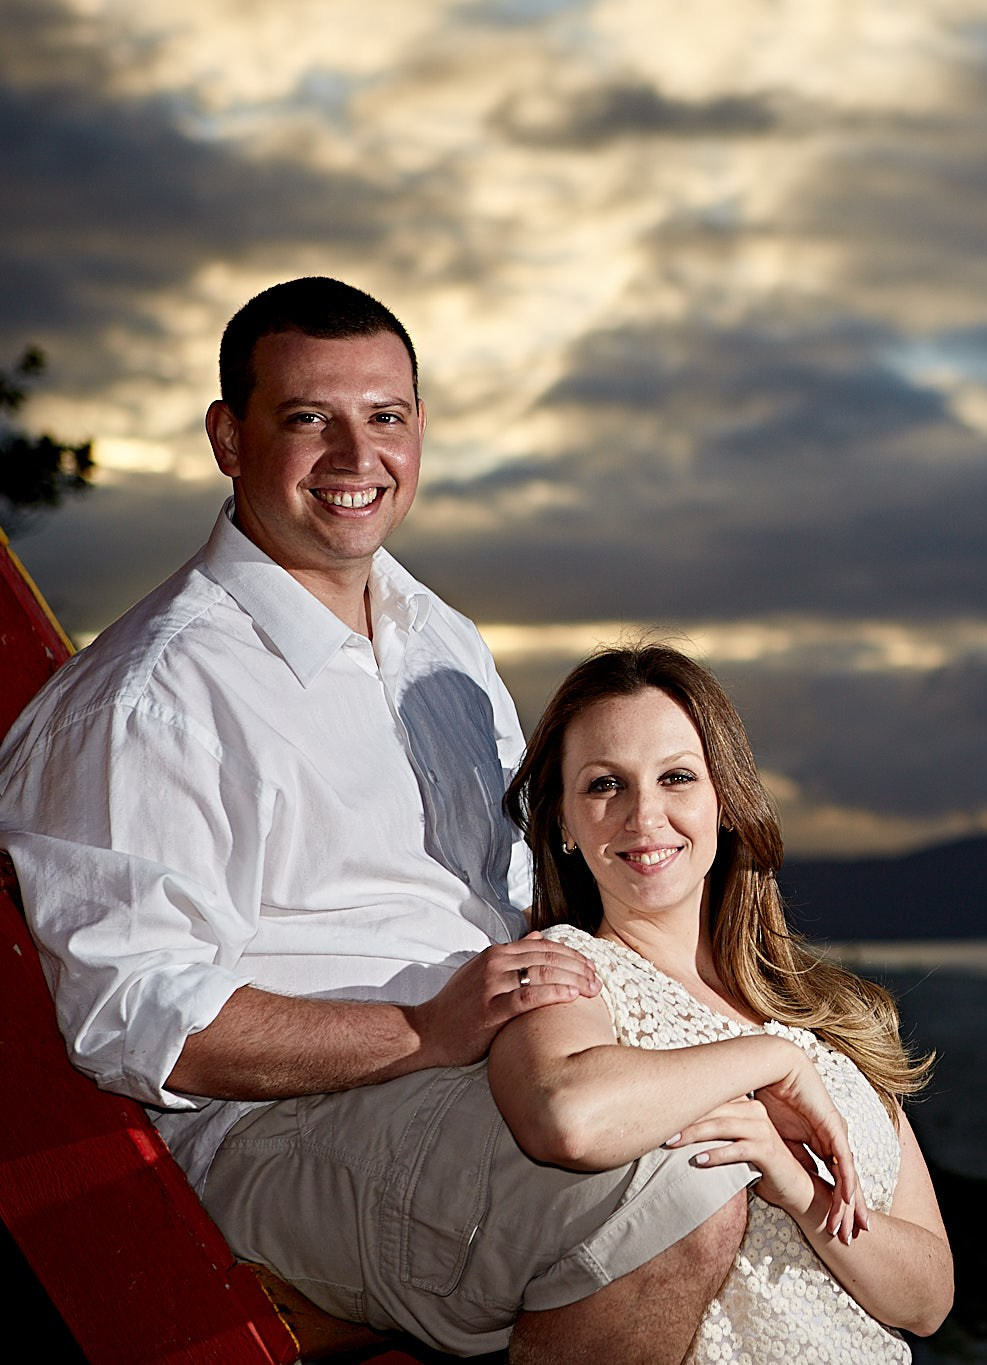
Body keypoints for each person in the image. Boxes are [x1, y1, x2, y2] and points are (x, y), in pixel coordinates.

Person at [0, 278, 754, 1357]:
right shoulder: (153, 698)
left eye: (385, 418)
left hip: (497, 1074)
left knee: (791, 1155)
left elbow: (509, 899)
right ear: (229, 436)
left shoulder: (438, 638)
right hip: (279, 1137)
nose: (358, 459)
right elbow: (139, 1017)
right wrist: (418, 1032)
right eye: (310, 419)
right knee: (666, 1192)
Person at [493, 644, 952, 1359]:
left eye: (677, 776)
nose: (645, 815)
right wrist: (767, 1060)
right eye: (605, 784)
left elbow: (928, 1300)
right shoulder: (570, 966)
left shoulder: (824, 1010)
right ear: (561, 823)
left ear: (726, 802)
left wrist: (797, 1186)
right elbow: (568, 1116)